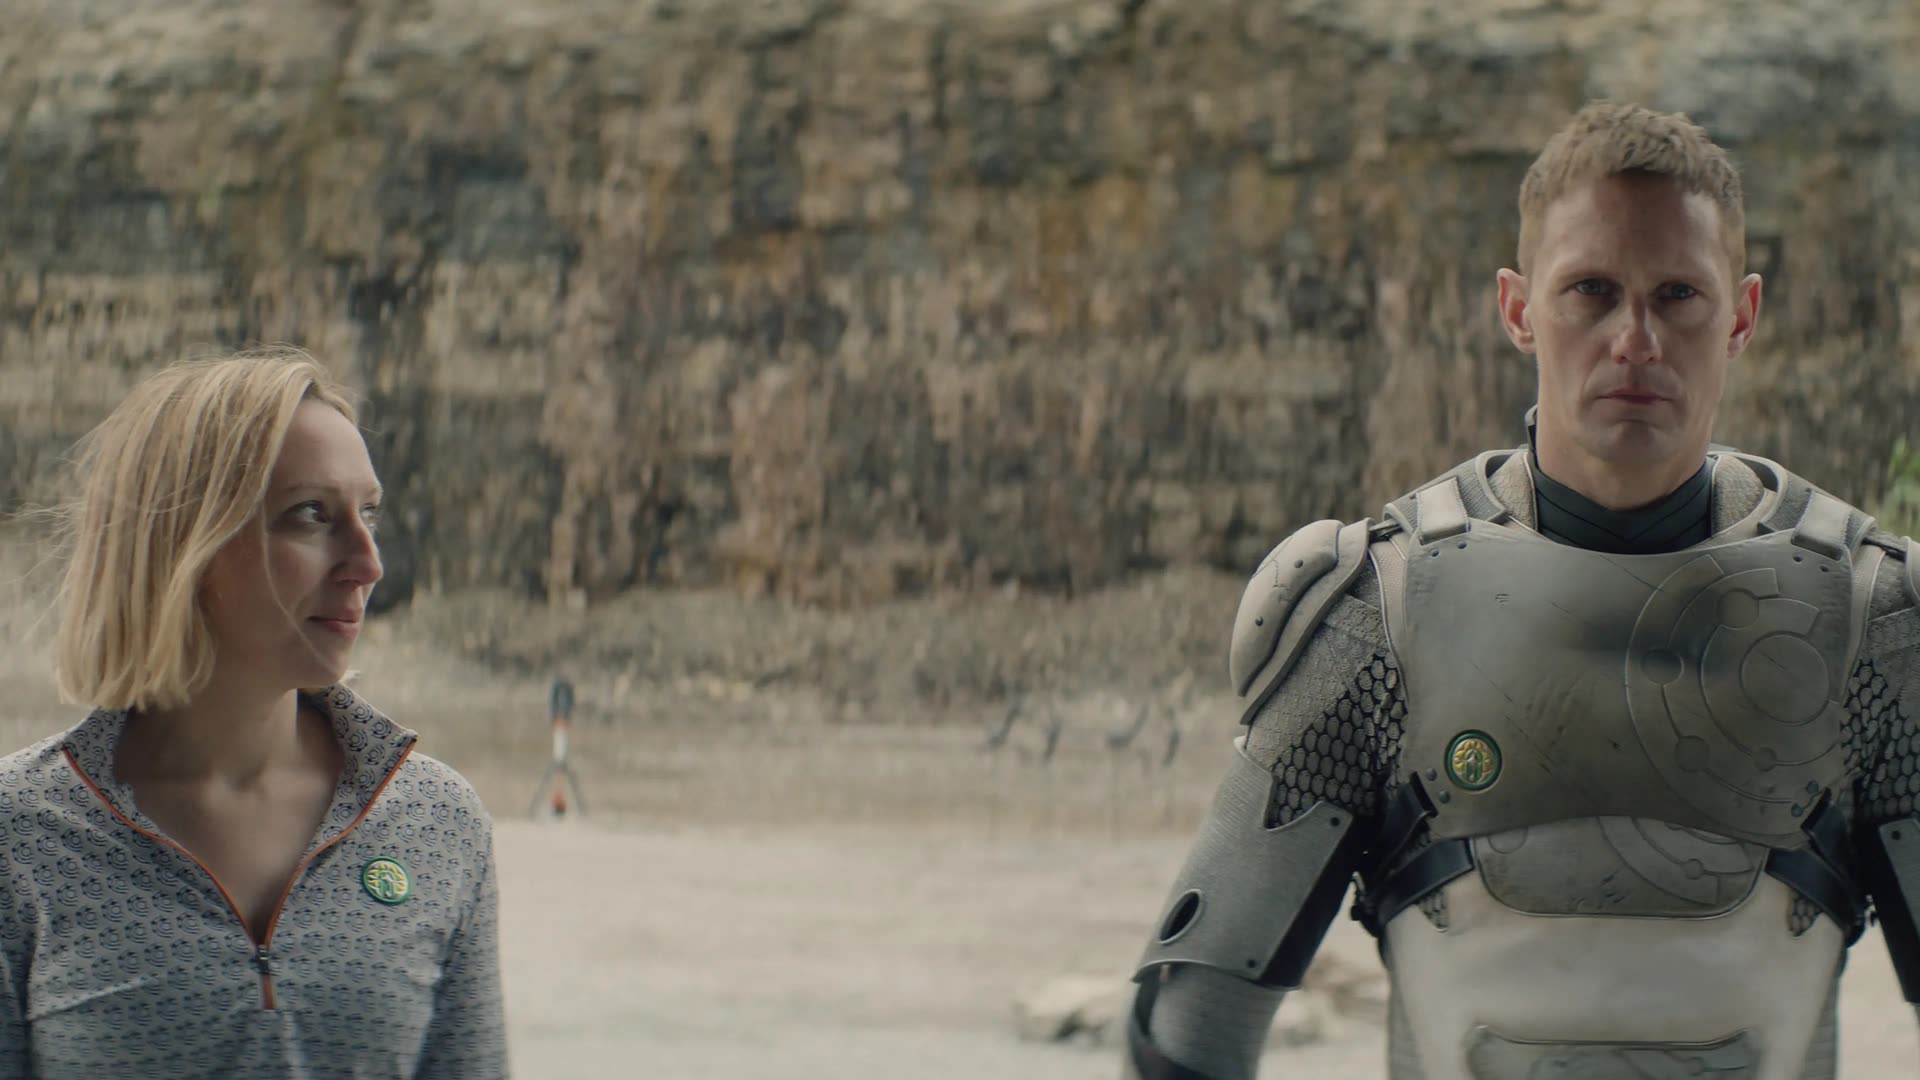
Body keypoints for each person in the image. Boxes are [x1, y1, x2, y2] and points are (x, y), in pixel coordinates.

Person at [1123, 101, 1920, 1079]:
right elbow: (1193, 1026)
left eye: (1678, 295)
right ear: (1517, 308)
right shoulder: (1373, 616)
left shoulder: (1875, 625)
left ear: (1742, 316)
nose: (1636, 339)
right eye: (1592, 291)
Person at [0, 351, 508, 1078]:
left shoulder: (437, 823)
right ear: (187, 545)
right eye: (312, 515)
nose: (369, 564)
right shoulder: (20, 835)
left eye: (368, 514)